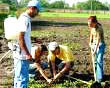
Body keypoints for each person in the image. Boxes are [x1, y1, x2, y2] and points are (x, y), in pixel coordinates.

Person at [13, 0, 41, 88]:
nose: (38, 13)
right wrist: (28, 54)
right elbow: (20, 38)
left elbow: (24, 36)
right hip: (22, 56)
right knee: (23, 79)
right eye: (38, 11)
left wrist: (34, 39)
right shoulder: (24, 19)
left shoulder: (25, 18)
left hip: (21, 54)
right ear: (32, 8)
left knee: (18, 78)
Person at [88, 16, 106, 82]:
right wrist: (90, 42)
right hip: (94, 45)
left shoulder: (99, 28)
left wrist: (95, 50)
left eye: (90, 24)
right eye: (89, 24)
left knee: (99, 61)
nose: (89, 25)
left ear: (94, 23)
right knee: (95, 61)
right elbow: (91, 35)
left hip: (100, 45)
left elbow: (98, 40)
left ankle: (99, 79)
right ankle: (97, 75)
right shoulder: (92, 27)